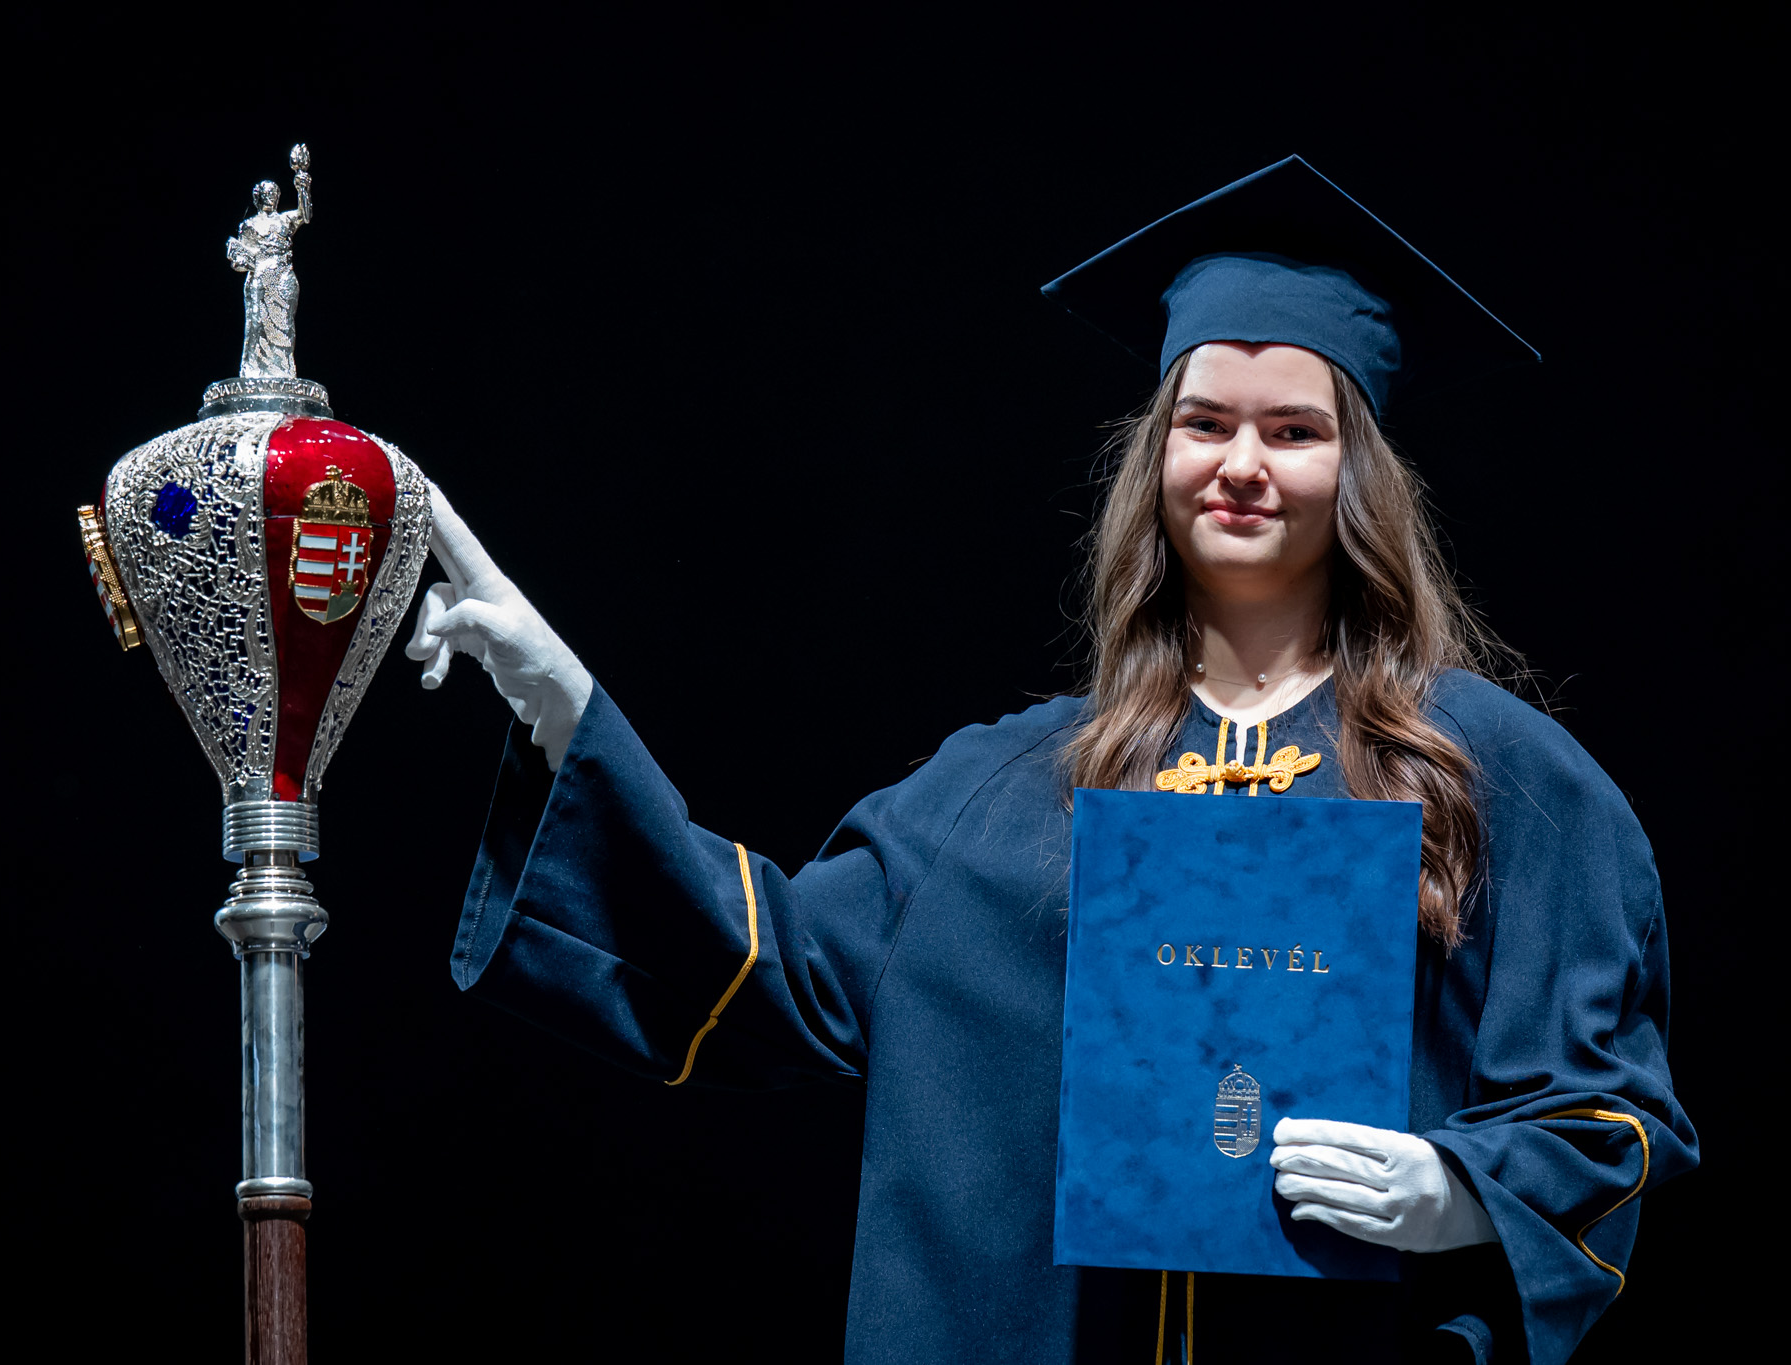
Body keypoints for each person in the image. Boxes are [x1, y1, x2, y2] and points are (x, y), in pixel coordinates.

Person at [404, 156, 1697, 1365]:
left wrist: (1461, 1192)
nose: (1242, 464)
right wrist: (568, 707)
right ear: (1158, 454)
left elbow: (1609, 1116)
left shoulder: (1503, 778)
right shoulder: (1007, 788)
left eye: (1294, 431)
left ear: (1361, 470)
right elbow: (772, 973)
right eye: (1205, 422)